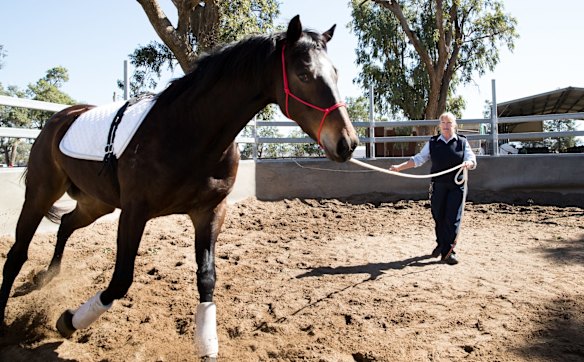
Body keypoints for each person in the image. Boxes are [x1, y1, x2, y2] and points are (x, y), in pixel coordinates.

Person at [389, 112, 477, 265]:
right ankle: (441, 244)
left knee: (452, 218)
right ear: (439, 125)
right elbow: (419, 159)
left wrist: (468, 164)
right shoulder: (433, 142)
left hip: (457, 186)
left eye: (449, 122)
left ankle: (448, 251)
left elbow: (471, 158)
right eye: (443, 122)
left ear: (454, 125)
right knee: (438, 216)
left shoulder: (462, 142)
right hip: (438, 185)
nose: (446, 125)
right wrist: (399, 167)